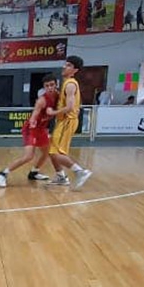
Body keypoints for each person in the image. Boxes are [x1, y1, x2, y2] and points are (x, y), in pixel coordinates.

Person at [0, 74, 58, 187]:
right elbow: (35, 112)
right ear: (44, 87)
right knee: (28, 156)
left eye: (52, 85)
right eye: (47, 86)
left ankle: (34, 172)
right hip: (31, 129)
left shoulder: (58, 97)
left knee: (47, 153)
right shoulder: (42, 100)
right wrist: (33, 119)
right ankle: (3, 174)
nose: (50, 87)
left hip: (42, 129)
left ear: (56, 85)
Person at [46, 56, 92, 189]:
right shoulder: (67, 83)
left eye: (69, 65)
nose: (64, 67)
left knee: (56, 153)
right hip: (63, 121)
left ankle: (80, 172)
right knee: (52, 151)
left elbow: (70, 107)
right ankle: (61, 176)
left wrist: (53, 113)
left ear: (75, 70)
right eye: (65, 64)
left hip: (67, 121)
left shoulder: (71, 84)